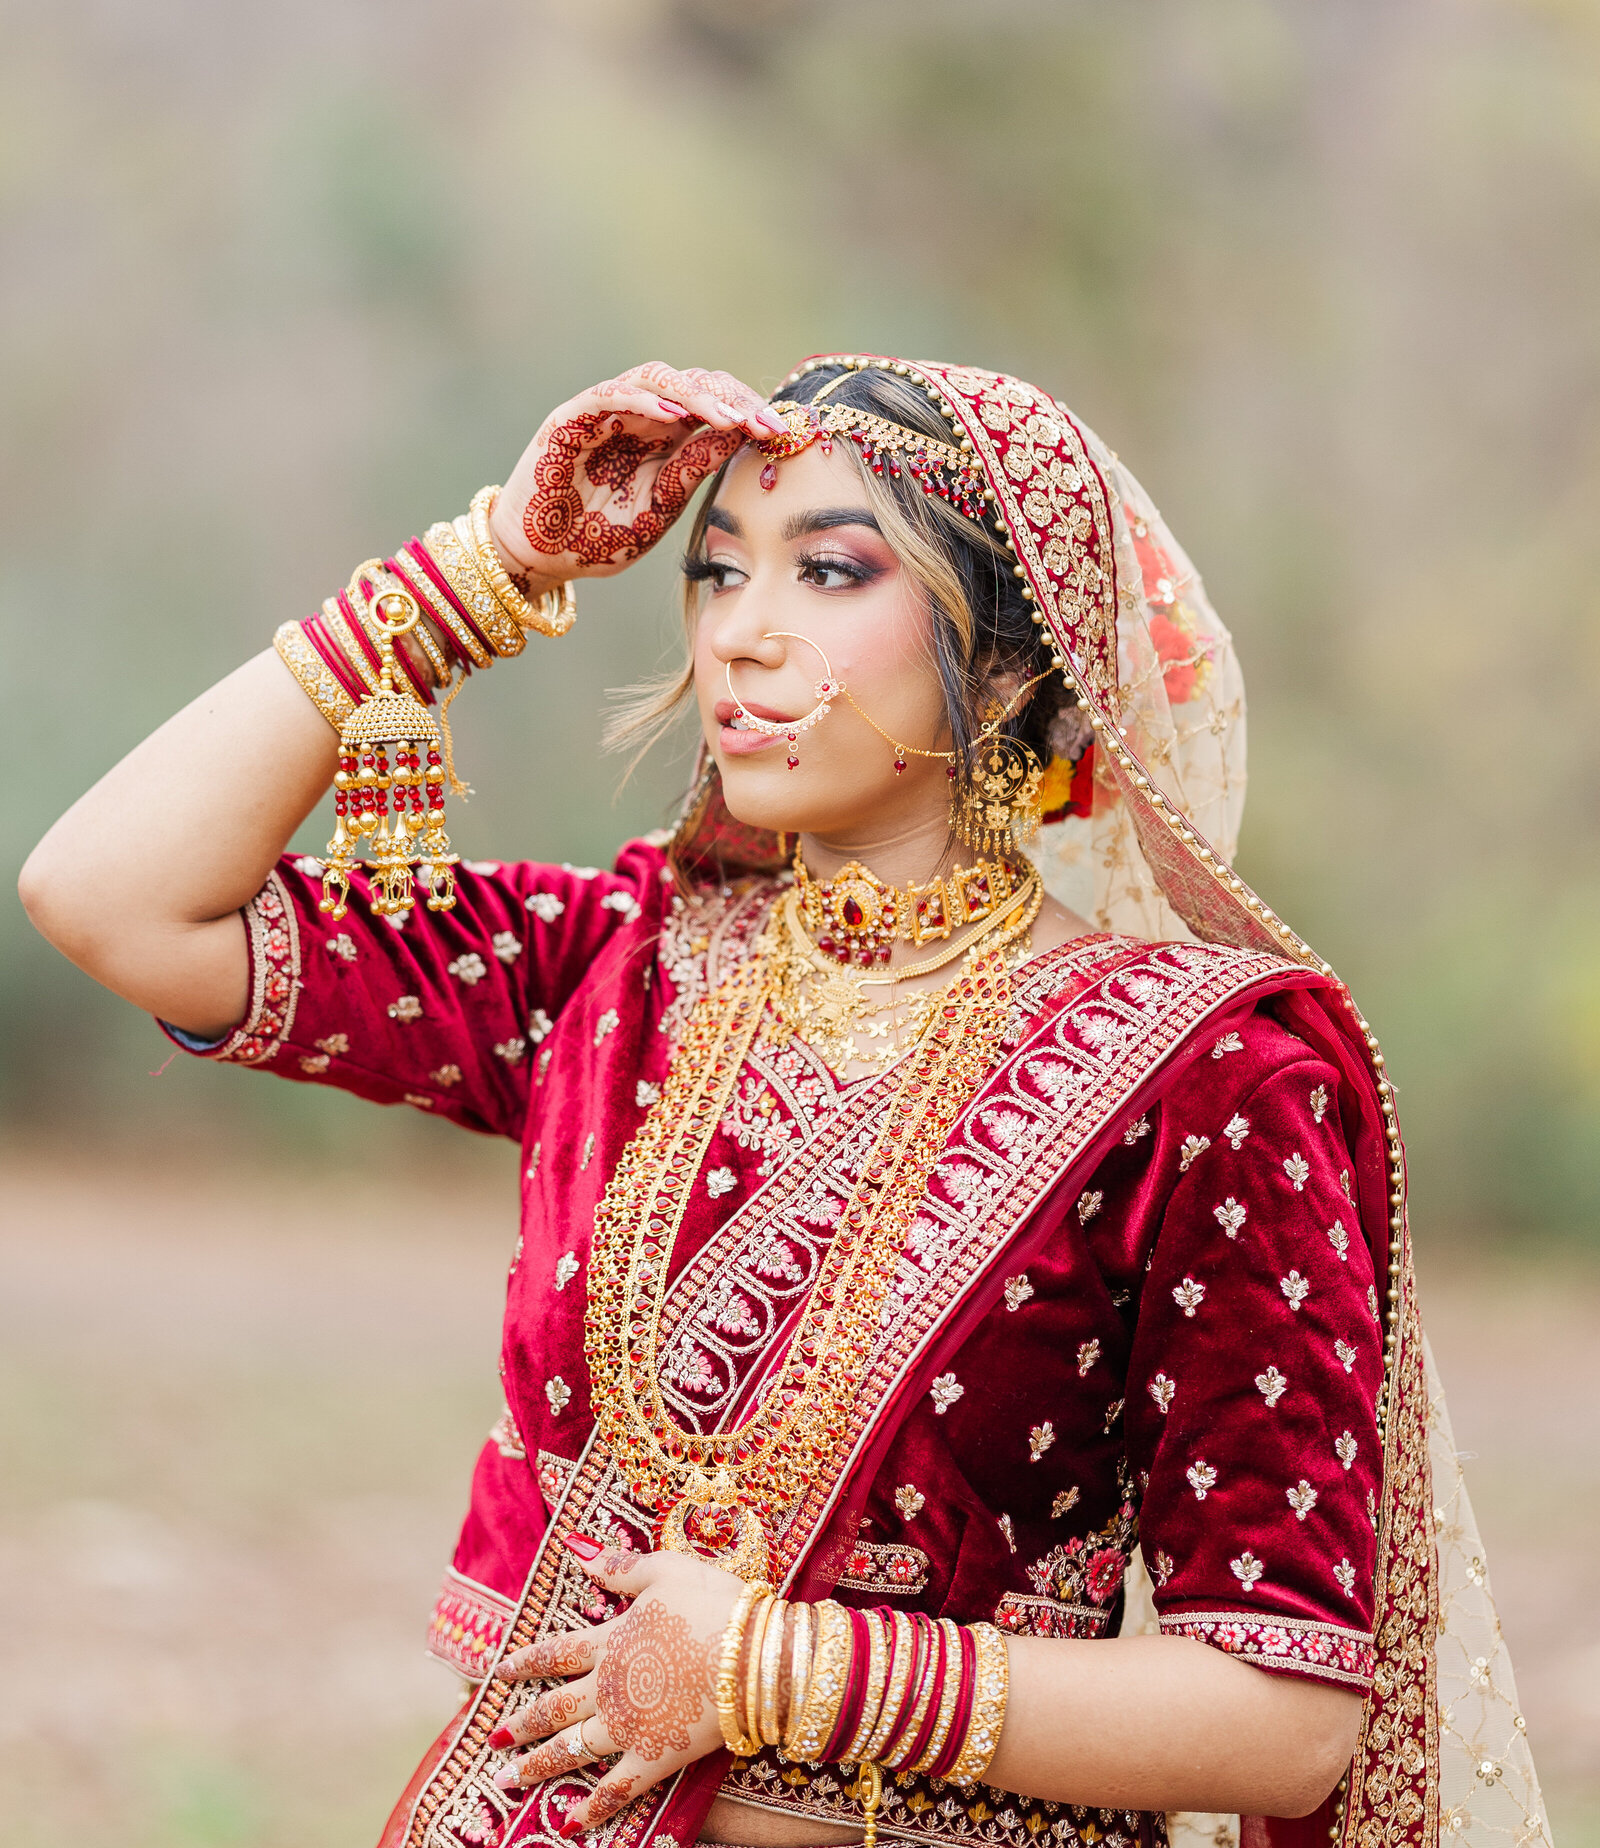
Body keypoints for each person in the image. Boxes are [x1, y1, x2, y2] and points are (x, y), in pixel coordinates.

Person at [19, 356, 1545, 1848]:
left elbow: (1285, 1717)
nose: (739, 638)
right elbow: (111, 896)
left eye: (827, 573)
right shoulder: (621, 970)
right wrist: (491, 565)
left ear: (1010, 661)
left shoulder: (1205, 1076)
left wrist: (785, 1673)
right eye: (714, 573)